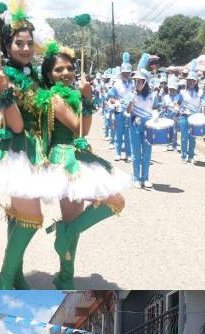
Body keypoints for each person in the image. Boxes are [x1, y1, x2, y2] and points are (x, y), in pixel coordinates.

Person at [36, 42, 129, 289]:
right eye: (58, 70)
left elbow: (82, 132)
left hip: (78, 156)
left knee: (72, 221)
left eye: (69, 68)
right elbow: (82, 128)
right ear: (48, 74)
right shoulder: (55, 97)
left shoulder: (71, 94)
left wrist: (84, 97)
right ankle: (64, 238)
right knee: (115, 200)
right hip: (65, 160)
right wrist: (87, 98)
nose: (65, 73)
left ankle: (65, 276)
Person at [0, 3, 56, 289]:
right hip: (17, 150)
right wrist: (3, 91)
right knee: (31, 217)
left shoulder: (34, 76)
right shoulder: (4, 76)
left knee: (18, 215)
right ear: (7, 45)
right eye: (18, 43)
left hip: (34, 149)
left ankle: (16, 274)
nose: (25, 48)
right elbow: (17, 125)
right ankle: (4, 278)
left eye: (29, 43)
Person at [127, 55, 155, 188]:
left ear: (145, 83)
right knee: (136, 152)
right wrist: (131, 101)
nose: (136, 83)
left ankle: (146, 178)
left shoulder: (151, 95)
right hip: (134, 124)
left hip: (148, 125)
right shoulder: (132, 94)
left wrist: (155, 116)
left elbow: (156, 108)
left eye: (139, 81)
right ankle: (136, 178)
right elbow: (128, 111)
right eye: (135, 81)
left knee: (147, 152)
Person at [106, 52, 134, 162]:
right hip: (119, 112)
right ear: (121, 73)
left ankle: (128, 154)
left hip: (130, 112)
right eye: (124, 73)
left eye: (128, 72)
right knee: (119, 133)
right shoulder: (116, 84)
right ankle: (117, 153)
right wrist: (116, 102)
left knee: (128, 134)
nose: (126, 74)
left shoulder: (134, 84)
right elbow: (109, 97)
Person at [179, 60, 202, 164]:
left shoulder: (201, 92)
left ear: (196, 81)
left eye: (193, 80)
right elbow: (177, 103)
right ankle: (183, 155)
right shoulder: (182, 92)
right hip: (184, 117)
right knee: (184, 137)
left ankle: (191, 155)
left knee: (192, 138)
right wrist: (176, 107)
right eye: (189, 80)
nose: (190, 82)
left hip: (195, 118)